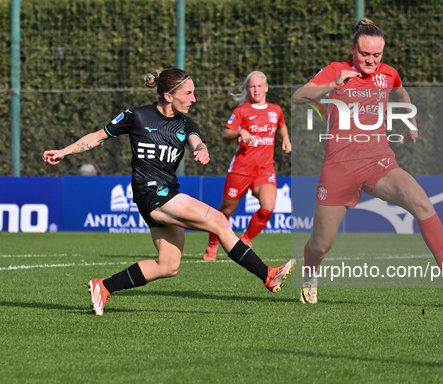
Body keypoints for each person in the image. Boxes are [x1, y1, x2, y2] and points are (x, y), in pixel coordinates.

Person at [42, 68, 295, 315]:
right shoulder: (137, 116)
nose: (193, 99)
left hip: (166, 194)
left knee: (168, 265)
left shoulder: (185, 123)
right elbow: (99, 136)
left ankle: (104, 286)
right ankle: (268, 275)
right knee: (219, 221)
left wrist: (200, 148)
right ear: (168, 95)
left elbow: (196, 139)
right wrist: (64, 151)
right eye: (188, 93)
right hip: (152, 194)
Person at [292, 19, 443, 304]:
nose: (370, 60)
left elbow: (400, 92)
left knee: (422, 204)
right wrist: (332, 85)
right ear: (352, 49)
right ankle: (310, 274)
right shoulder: (336, 70)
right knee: (321, 244)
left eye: (376, 55)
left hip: (378, 162)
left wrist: (411, 119)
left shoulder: (388, 74)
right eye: (364, 54)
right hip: (339, 168)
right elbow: (299, 96)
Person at [203, 71, 291, 261]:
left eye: (259, 86)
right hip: (241, 169)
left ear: (266, 87)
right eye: (252, 86)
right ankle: (212, 243)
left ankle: (246, 239)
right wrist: (240, 132)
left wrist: (285, 138)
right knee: (225, 212)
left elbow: (281, 124)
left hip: (265, 170)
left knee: (268, 207)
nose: (256, 90)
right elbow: (226, 134)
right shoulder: (241, 111)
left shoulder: (275, 110)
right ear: (247, 89)